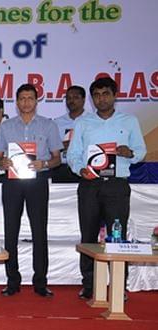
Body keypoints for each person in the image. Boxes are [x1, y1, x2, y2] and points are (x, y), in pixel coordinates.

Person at [67, 77, 147, 299]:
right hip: (90, 184)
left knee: (117, 236)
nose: (101, 99)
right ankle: (89, 284)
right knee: (88, 236)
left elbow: (141, 151)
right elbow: (73, 154)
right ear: (92, 99)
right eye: (97, 95)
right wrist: (80, 169)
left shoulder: (129, 121)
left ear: (115, 96)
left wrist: (130, 153)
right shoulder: (83, 123)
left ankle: (119, 286)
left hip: (116, 186)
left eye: (105, 94)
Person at [0, 83, 62, 297]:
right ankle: (12, 281)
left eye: (30, 98)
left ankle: (40, 282)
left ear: (36, 101)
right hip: (12, 181)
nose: (26, 102)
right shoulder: (6, 127)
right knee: (10, 231)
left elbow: (57, 158)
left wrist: (45, 164)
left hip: (37, 181)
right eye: (22, 98)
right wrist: (2, 162)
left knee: (39, 231)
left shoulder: (48, 126)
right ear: (16, 102)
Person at [53, 86, 89, 183]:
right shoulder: (57, 123)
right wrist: (61, 146)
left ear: (83, 99)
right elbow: (49, 148)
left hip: (85, 168)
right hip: (61, 169)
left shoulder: (92, 121)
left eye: (75, 97)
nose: (71, 101)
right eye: (68, 98)